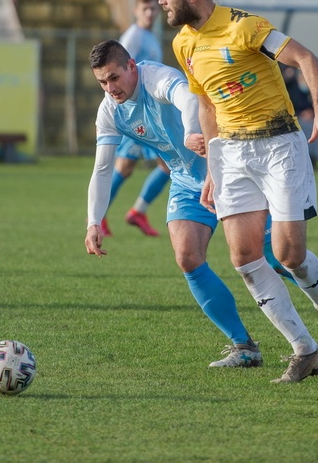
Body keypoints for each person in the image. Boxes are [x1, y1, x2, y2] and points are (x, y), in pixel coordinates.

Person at [159, 0, 318, 383]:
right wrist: (213, 166)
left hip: (278, 146)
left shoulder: (244, 26)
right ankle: (304, 350)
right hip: (231, 156)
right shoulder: (183, 43)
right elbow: (207, 104)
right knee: (244, 257)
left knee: (289, 255)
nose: (162, 0)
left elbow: (308, 59)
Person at [85, 40, 262, 368]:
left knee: (277, 258)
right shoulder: (110, 111)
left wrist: (191, 132)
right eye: (102, 82)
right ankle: (244, 345)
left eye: (114, 78)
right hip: (184, 180)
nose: (110, 88)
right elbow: (102, 168)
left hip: (226, 170)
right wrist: (94, 220)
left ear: (131, 67)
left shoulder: (156, 78)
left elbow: (187, 97)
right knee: (187, 257)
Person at [104, 0, 171, 237]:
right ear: (136, 11)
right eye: (146, 9)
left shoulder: (150, 37)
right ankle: (129, 213)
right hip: (137, 113)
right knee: (165, 164)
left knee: (127, 167)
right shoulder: (133, 37)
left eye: (154, 9)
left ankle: (131, 212)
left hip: (148, 112)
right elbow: (115, 70)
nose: (151, 13)